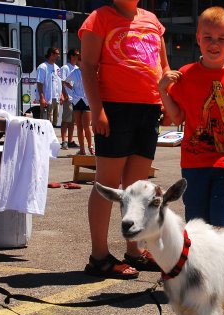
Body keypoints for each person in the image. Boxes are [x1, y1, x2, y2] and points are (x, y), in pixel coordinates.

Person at [79, 0, 169, 279]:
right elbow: (88, 67)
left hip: (149, 109)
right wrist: (98, 111)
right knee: (107, 184)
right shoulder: (99, 18)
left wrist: (167, 101)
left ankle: (135, 250)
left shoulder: (153, 21)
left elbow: (163, 66)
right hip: (115, 108)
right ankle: (99, 256)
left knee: (137, 188)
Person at [159, 7, 224, 228]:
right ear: (198, 38)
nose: (214, 44)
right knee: (196, 221)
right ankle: (198, 262)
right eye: (208, 38)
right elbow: (177, 118)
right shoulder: (186, 74)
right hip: (194, 161)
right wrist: (163, 91)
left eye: (221, 39)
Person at [63, 56, 92, 156]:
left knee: (86, 126)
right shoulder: (74, 72)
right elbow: (65, 81)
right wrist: (72, 89)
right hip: (76, 100)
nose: (81, 62)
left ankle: (90, 146)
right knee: (79, 127)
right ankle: (82, 149)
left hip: (87, 100)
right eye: (80, 60)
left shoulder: (90, 71)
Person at [36, 47, 62, 128]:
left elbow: (59, 82)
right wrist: (42, 98)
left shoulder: (57, 68)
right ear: (51, 54)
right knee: (46, 122)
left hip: (56, 98)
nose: (59, 56)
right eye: (57, 54)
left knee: (54, 121)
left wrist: (61, 95)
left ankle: (51, 139)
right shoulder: (42, 67)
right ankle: (44, 140)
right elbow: (39, 83)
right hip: (47, 98)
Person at [59, 49, 79, 150]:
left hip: (75, 99)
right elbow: (62, 82)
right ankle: (64, 141)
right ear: (71, 56)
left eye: (78, 55)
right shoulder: (65, 68)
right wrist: (64, 95)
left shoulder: (77, 68)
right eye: (76, 55)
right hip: (68, 97)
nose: (77, 57)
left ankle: (70, 141)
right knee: (66, 120)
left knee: (72, 121)